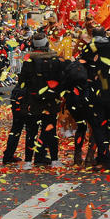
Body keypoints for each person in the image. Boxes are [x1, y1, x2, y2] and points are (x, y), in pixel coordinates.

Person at [77, 26, 110, 170]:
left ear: (92, 35)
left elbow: (81, 65)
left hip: (96, 91)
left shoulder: (90, 47)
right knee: (108, 125)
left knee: (97, 125)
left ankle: (105, 158)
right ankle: (102, 156)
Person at [17, 32, 65, 167]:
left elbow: (22, 82)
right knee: (50, 131)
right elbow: (61, 80)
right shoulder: (55, 61)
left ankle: (27, 161)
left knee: (31, 132)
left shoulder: (28, 62)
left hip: (32, 101)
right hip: (50, 101)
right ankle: (54, 160)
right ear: (46, 44)